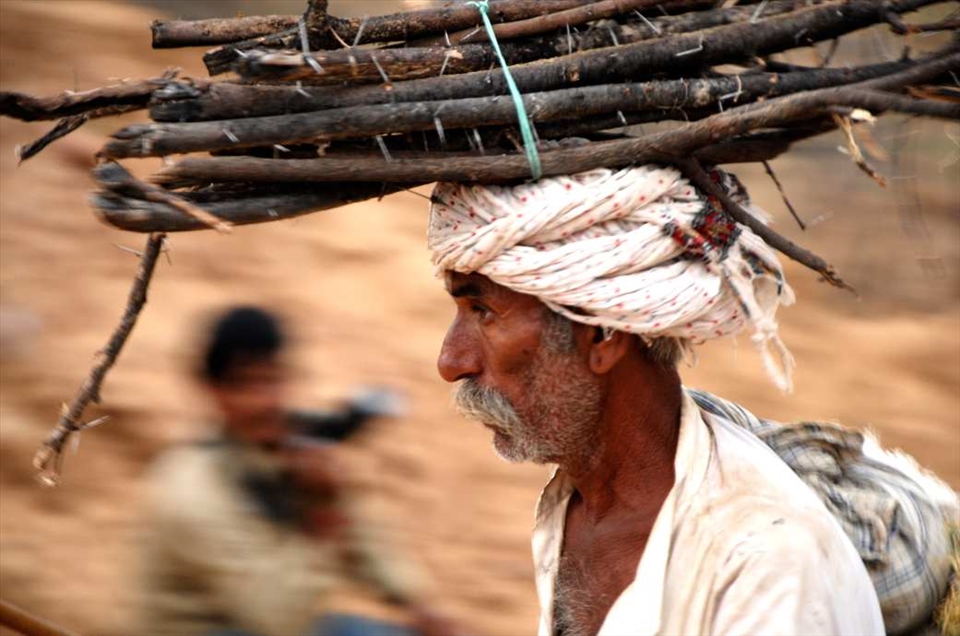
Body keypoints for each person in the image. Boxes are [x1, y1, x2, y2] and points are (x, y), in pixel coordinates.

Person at [427, 166, 959, 636]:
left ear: (602, 335)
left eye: (483, 312)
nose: (452, 362)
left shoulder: (766, 563)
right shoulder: (577, 506)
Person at [141, 306, 452, 636]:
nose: (265, 401)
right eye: (245, 384)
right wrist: (321, 511)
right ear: (212, 389)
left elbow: (357, 534)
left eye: (274, 379)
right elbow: (280, 620)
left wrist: (420, 609)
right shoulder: (191, 490)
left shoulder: (281, 448)